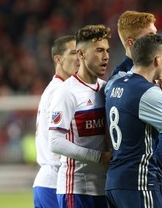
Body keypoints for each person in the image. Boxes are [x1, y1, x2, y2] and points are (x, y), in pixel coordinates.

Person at [106, 10, 162, 206]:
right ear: (132, 44)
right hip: (140, 178)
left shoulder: (120, 82)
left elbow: (154, 127)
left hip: (136, 177)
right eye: (150, 36)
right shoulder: (135, 85)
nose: (157, 40)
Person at [48, 24, 112, 208]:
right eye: (99, 50)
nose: (106, 56)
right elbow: (55, 142)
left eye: (107, 50)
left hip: (104, 187)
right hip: (76, 190)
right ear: (81, 54)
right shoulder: (67, 92)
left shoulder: (107, 88)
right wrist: (97, 157)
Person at [33, 35, 79, 208]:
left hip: (51, 181)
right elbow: (58, 142)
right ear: (58, 59)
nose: (78, 58)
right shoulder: (60, 91)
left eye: (80, 52)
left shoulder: (59, 89)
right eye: (73, 52)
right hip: (54, 182)